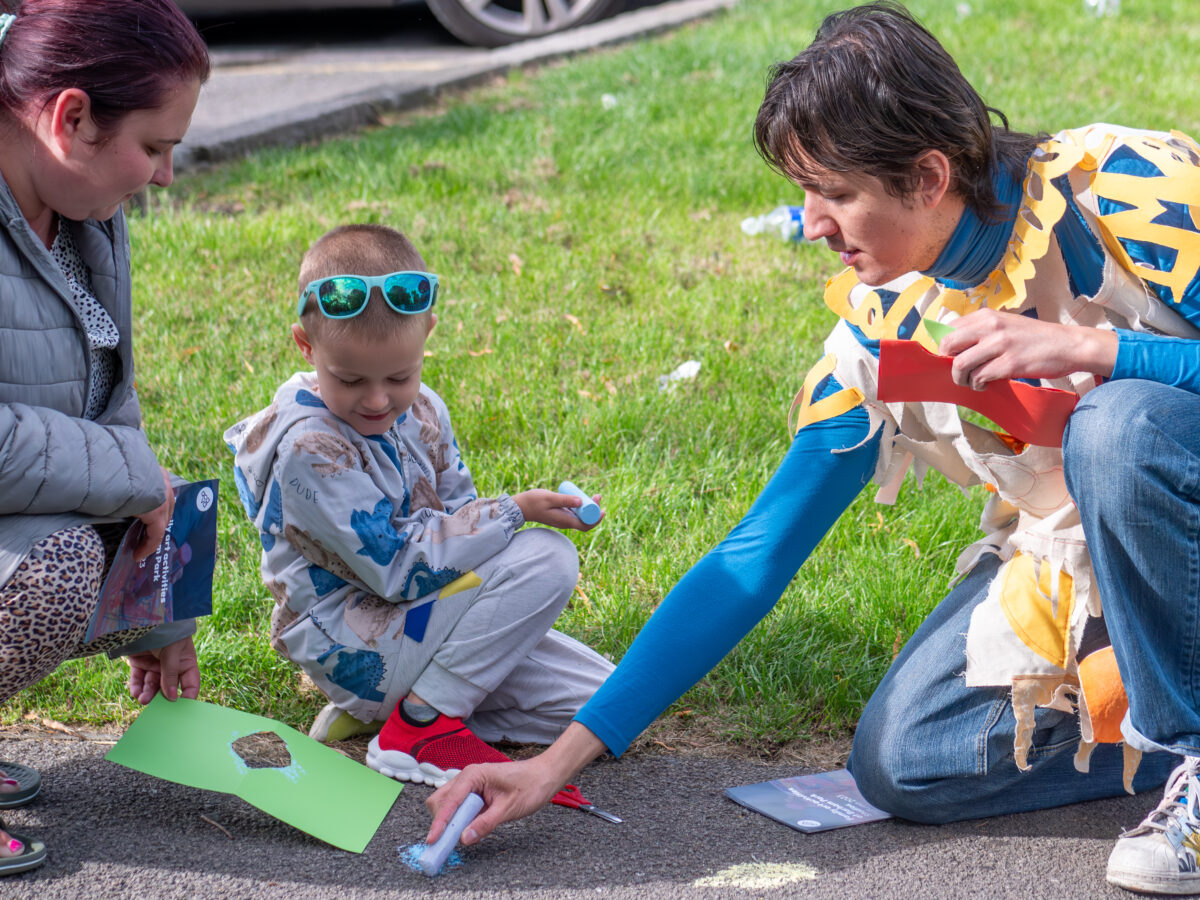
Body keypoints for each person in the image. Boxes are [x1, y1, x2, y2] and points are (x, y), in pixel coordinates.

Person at [427, 3, 1200, 893]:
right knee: (907, 761)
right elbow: (755, 557)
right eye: (805, 193)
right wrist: (552, 765)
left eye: (834, 193)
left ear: (928, 174)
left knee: (1119, 427)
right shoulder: (879, 333)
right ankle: (1163, 746)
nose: (812, 223)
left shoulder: (1128, 189)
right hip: (1107, 574)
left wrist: (1103, 352)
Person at [224, 223, 615, 787]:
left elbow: (456, 515)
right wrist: (514, 513)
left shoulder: (424, 408)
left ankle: (401, 710)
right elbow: (397, 570)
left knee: (605, 707)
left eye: (400, 375)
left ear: (428, 331)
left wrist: (499, 529)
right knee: (548, 558)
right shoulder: (309, 449)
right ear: (306, 347)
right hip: (356, 642)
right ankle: (418, 726)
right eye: (350, 379)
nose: (378, 399)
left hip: (422, 623)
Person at [0, 0, 210, 877]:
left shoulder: (80, 204)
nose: (163, 176)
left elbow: (104, 399)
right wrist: (135, 476)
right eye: (154, 148)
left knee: (152, 529)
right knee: (53, 571)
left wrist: (157, 605)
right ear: (71, 118)